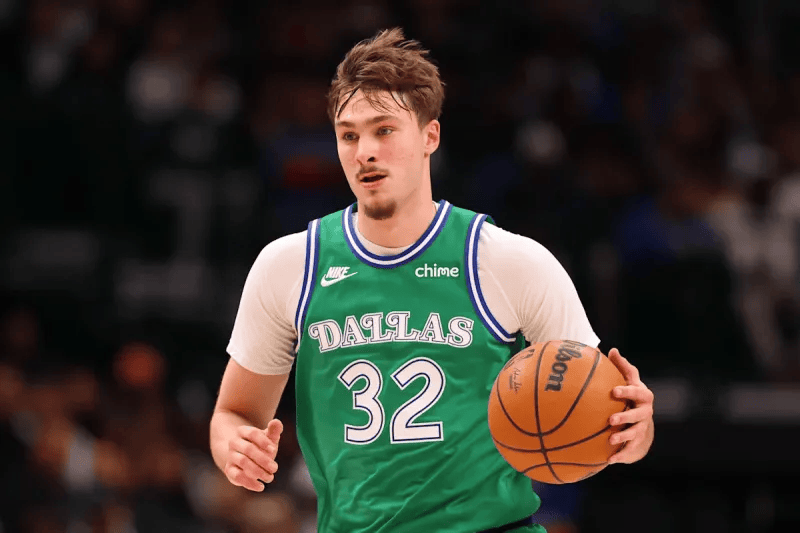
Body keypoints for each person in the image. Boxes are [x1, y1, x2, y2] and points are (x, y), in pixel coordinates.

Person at [210, 28, 655, 533]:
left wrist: (633, 434)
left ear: (430, 136)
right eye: (349, 135)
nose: (364, 151)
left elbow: (599, 414)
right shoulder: (290, 265)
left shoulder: (509, 261)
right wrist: (233, 445)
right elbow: (235, 413)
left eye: (384, 130)